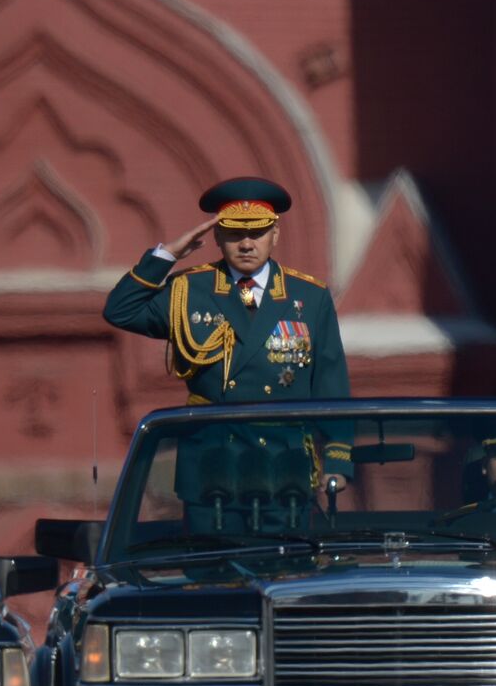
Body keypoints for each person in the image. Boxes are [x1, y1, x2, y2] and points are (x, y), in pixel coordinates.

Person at [102, 177, 352, 528]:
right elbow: (120, 310)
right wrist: (166, 255)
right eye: (234, 234)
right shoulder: (189, 290)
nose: (246, 244)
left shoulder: (309, 296)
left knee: (288, 570)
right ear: (217, 237)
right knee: (210, 574)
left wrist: (338, 460)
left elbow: (332, 382)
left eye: (258, 233)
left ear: (275, 235)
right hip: (213, 465)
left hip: (284, 465)